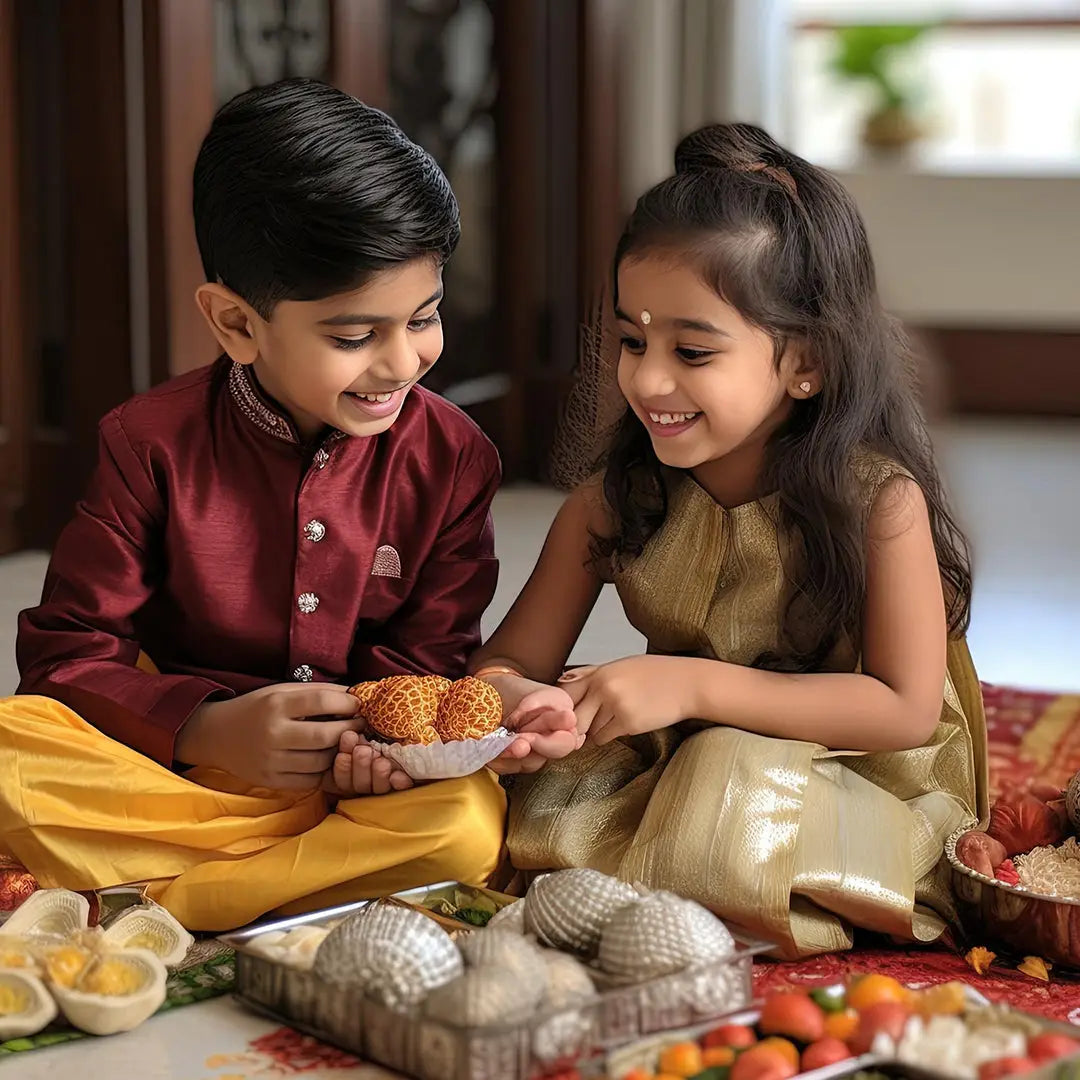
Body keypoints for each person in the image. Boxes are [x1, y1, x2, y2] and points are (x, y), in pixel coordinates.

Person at [0, 79, 562, 930]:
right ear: (235, 324)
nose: (403, 362)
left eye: (424, 317)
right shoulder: (148, 441)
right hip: (171, 767)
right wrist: (207, 731)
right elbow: (65, 655)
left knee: (463, 826)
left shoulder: (453, 458)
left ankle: (151, 899)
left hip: (345, 789)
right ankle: (246, 887)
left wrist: (364, 754)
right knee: (15, 751)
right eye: (353, 337)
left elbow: (427, 658)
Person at [471, 123, 989, 958]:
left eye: (693, 349)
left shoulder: (878, 501)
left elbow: (903, 709)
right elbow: (502, 667)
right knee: (514, 798)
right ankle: (669, 891)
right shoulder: (610, 501)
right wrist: (528, 707)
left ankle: (672, 904)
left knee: (724, 777)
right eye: (632, 342)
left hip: (855, 770)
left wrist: (687, 686)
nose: (647, 379)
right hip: (686, 749)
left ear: (805, 363)